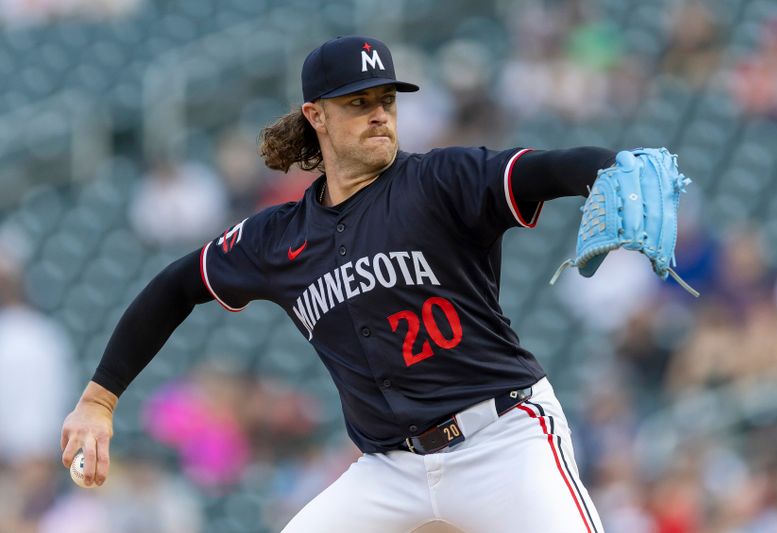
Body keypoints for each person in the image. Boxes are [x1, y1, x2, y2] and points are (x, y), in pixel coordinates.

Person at [61, 35, 627, 532]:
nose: (379, 113)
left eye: (386, 100)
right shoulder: (278, 237)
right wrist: (98, 400)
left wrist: (614, 167)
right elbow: (176, 286)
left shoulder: (442, 180)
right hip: (390, 469)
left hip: (503, 439)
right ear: (317, 116)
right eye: (359, 103)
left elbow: (547, 168)